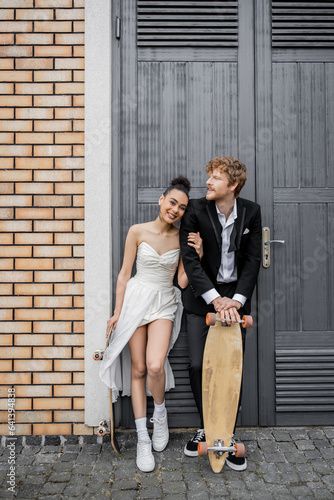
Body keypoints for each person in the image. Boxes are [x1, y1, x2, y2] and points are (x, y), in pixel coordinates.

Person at [99, 176, 194, 473]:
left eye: (181, 207)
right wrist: (116, 312)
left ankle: (161, 413)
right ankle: (142, 438)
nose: (175, 210)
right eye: (172, 202)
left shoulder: (182, 237)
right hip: (136, 301)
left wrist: (197, 255)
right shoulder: (137, 231)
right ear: (161, 200)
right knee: (138, 369)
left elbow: (180, 281)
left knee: (155, 365)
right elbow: (125, 274)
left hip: (165, 301)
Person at [179, 156, 262, 471]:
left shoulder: (251, 212)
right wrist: (216, 301)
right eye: (209, 176)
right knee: (200, 364)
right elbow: (190, 259)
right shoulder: (195, 211)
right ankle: (207, 427)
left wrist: (237, 301)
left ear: (233, 185)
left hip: (235, 301)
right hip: (203, 300)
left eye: (215, 177)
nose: (208, 182)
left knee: (231, 368)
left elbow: (253, 261)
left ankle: (227, 430)